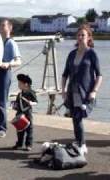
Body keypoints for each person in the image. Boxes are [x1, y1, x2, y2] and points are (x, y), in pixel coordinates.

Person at [61, 24, 102, 155]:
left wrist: (94, 91)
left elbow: (99, 75)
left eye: (83, 35)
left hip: (85, 92)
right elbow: (65, 74)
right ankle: (80, 143)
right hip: (72, 92)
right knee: (75, 118)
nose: (80, 37)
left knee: (77, 118)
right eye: (78, 35)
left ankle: (82, 144)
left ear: (89, 37)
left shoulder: (91, 53)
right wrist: (63, 90)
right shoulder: (72, 54)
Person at [12, 74, 37, 151]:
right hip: (19, 113)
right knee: (19, 130)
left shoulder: (31, 92)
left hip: (27, 114)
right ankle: (19, 144)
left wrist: (31, 103)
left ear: (26, 84)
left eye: (20, 83)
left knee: (29, 129)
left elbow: (36, 101)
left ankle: (28, 145)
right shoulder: (19, 94)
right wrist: (14, 106)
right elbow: (16, 103)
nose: (18, 85)